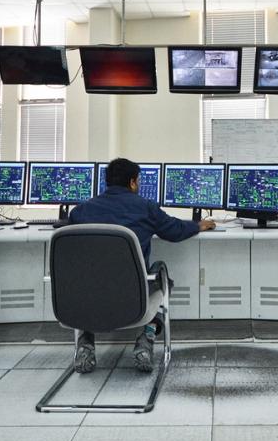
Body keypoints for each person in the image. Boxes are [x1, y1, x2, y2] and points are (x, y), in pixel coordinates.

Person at [68, 158, 216, 373]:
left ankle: (85, 344)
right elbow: (174, 231)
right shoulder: (145, 208)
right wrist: (197, 225)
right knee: (163, 278)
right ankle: (145, 339)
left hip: (88, 299)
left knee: (90, 279)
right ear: (132, 182)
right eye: (138, 180)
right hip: (133, 298)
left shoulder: (79, 212)